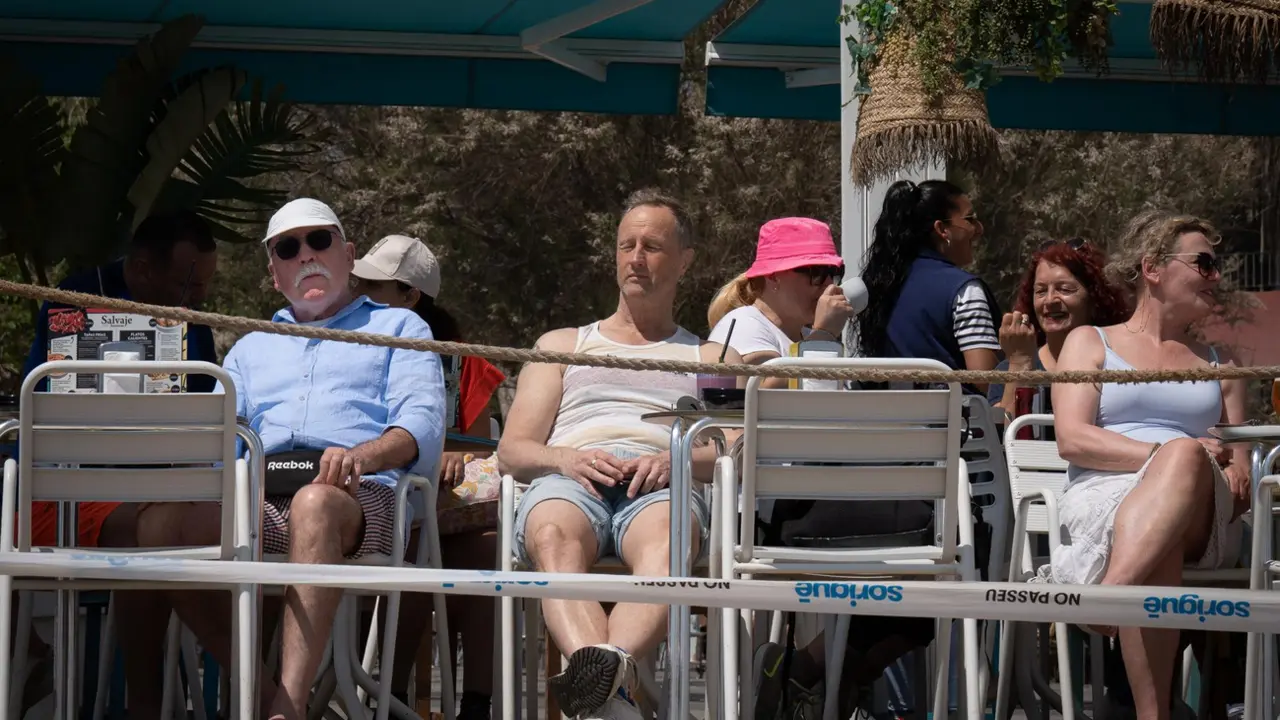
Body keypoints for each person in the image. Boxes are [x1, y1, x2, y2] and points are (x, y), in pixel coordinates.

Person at [129, 198, 446, 720]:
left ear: (347, 255)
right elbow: (217, 444)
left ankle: (287, 708)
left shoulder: (401, 327)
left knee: (316, 503)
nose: (306, 256)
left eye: (319, 241)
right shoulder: (250, 349)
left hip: (360, 497)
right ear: (275, 274)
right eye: (288, 248)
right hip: (264, 496)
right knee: (159, 523)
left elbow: (420, 426)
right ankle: (263, 692)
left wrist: (359, 456)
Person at [497, 189, 740, 720]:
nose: (635, 257)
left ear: (685, 260)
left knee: (667, 539)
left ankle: (599, 691)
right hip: (572, 472)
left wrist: (678, 461)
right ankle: (618, 702)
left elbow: (735, 445)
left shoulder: (711, 355)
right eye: (626, 244)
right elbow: (513, 450)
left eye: (652, 246)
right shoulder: (563, 344)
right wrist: (563, 459)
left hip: (663, 478)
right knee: (552, 533)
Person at [15, 209, 219, 714]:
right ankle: (144, 704)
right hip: (70, 497)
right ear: (144, 269)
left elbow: (206, 421)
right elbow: (35, 400)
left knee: (157, 529)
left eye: (204, 285)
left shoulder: (196, 325)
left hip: (156, 496)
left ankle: (150, 703)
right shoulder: (74, 300)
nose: (197, 297)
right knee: (150, 533)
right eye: (186, 282)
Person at [1050, 210, 1250, 720]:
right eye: (1203, 263)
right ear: (1154, 268)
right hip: (1112, 504)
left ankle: (1106, 601)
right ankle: (1152, 714)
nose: (1216, 276)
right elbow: (1072, 440)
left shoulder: (1219, 364)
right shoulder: (1090, 341)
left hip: (1204, 518)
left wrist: (1222, 463)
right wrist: (1170, 458)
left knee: (1177, 474)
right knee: (1162, 515)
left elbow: (1241, 472)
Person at [351, 234, 504, 719]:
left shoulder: (464, 360)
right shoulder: (348, 345)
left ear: (410, 297)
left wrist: (454, 452)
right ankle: (385, 697)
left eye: (373, 285)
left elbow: (479, 444)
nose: (359, 291)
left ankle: (476, 703)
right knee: (414, 550)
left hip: (445, 506)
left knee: (483, 550)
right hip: (387, 503)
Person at [857, 180, 1000, 392]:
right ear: (942, 229)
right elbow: (985, 382)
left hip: (888, 419)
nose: (979, 229)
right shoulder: (964, 291)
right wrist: (1018, 355)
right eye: (970, 219)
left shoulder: (880, 286)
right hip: (954, 421)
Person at [987, 238, 1130, 424]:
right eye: (1040, 291)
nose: (1050, 300)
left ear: (1095, 298)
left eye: (1064, 289)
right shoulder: (1006, 370)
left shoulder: (1119, 365)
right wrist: (1020, 364)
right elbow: (1003, 440)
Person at [706, 217, 852, 388]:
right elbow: (763, 388)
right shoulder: (743, 323)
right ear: (773, 276)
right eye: (816, 272)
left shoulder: (805, 335)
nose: (829, 284)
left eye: (833, 272)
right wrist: (824, 334)